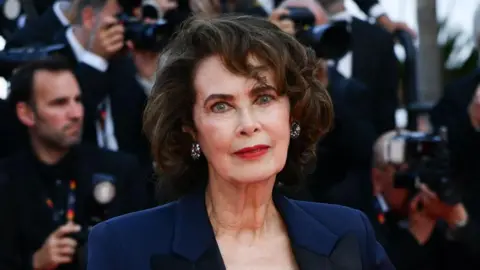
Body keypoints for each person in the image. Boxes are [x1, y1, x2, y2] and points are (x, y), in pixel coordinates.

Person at [86, 14, 393, 270]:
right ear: (190, 128)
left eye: (264, 98)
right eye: (221, 106)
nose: (248, 125)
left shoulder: (349, 234)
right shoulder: (125, 247)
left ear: (292, 113)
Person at [0, 58, 148, 270]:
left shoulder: (120, 170)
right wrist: (34, 264)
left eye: (77, 100)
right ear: (26, 113)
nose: (76, 113)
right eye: (59, 103)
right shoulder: (6, 183)